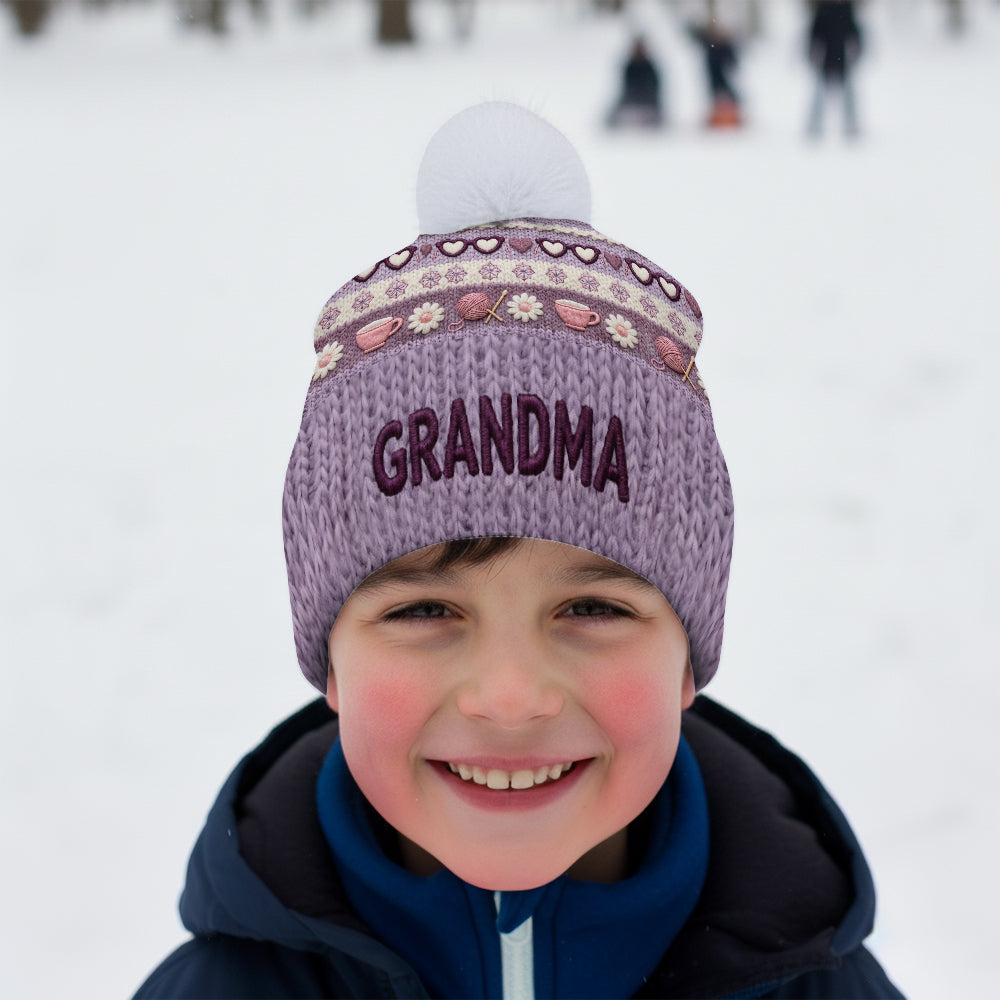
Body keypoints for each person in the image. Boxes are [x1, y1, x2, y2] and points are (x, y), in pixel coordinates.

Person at [133, 102, 903, 999]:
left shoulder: (818, 985)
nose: (510, 697)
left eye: (592, 608)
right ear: (329, 664)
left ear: (688, 660)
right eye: (424, 609)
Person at [807, 0, 863, 136]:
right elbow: (815, 32)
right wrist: (812, 51)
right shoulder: (823, 8)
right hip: (825, 58)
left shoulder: (846, 8)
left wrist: (857, 50)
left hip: (842, 58)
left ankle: (852, 125)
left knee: (849, 94)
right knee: (819, 94)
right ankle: (814, 125)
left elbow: (854, 31)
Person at [606, 36, 665, 128]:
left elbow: (654, 88)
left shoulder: (649, 66)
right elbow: (625, 88)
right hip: (631, 102)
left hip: (648, 103)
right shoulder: (629, 66)